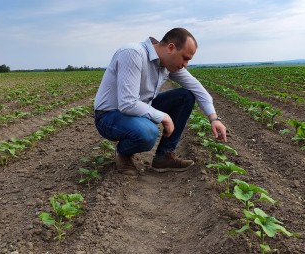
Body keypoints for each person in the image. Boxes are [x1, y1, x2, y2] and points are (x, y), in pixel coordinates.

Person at [94, 28, 227, 176]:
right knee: (148, 133)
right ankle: (123, 152)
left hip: (138, 110)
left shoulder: (167, 64)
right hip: (110, 116)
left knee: (185, 96)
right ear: (171, 48)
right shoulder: (133, 53)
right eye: (185, 58)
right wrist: (164, 117)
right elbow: (128, 103)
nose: (185, 64)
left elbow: (198, 89)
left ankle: (163, 156)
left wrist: (213, 118)